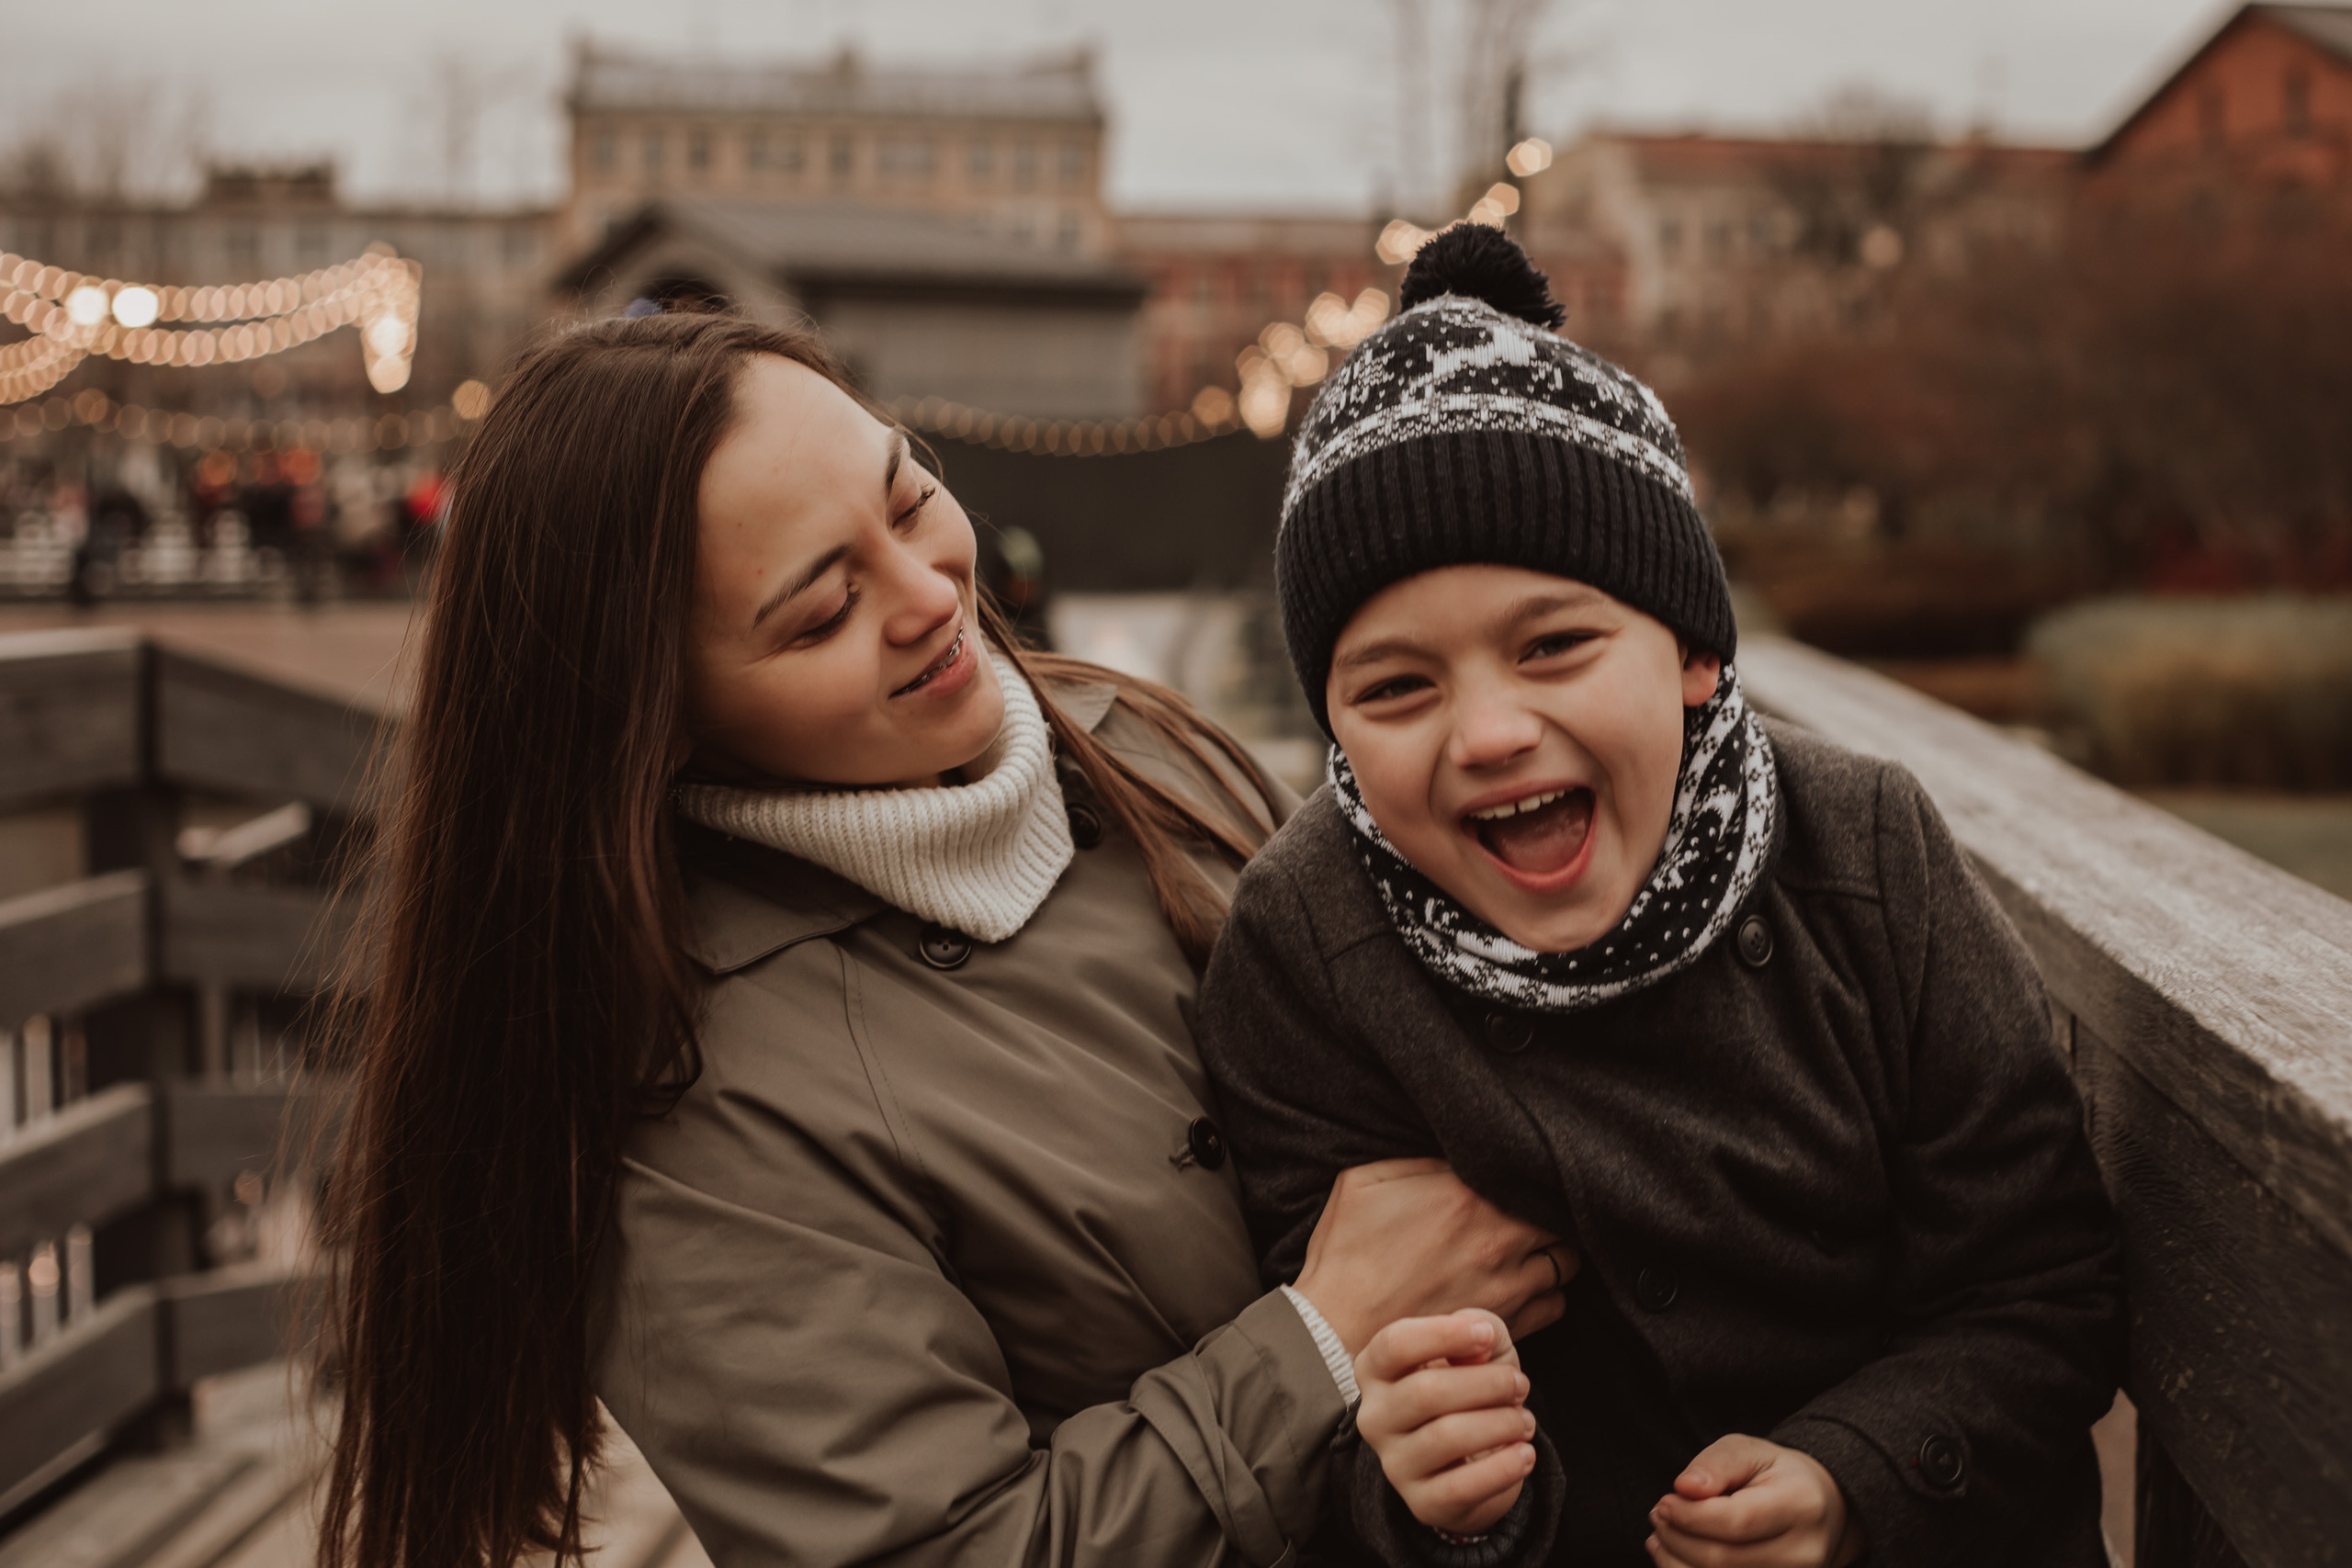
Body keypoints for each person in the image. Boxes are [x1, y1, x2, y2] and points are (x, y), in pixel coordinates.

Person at [314, 308, 1579, 1568]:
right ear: (663, 717)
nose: (931, 597)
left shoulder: (1141, 746)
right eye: (819, 614)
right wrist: (1325, 1336)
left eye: (910, 499)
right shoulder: (698, 1111)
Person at [1195, 227, 2125, 1568]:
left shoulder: (1864, 855)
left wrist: (1855, 1477)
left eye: (1555, 646)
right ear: (1334, 728)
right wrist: (1441, 1496)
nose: (1490, 732)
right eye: (1396, 688)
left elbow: (2042, 1283)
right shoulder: (1306, 948)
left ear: (1691, 652)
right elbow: (1335, 1394)